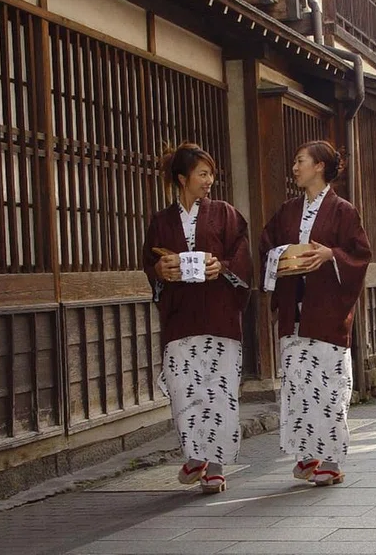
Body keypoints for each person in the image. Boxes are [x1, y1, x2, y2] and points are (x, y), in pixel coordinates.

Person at [260, 140, 372, 486]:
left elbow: (360, 255)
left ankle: (333, 459)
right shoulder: (288, 211)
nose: (295, 168)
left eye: (300, 161)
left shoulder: (343, 210)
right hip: (295, 309)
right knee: (298, 385)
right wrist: (281, 254)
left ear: (319, 166)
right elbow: (266, 244)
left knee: (328, 386)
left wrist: (331, 256)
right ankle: (308, 454)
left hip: (326, 311)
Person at [142, 143, 252, 494]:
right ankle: (194, 455)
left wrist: (223, 266)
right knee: (183, 389)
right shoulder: (161, 221)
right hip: (181, 318)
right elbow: (150, 263)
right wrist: (160, 269)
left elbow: (242, 254)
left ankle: (215, 465)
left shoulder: (225, 214)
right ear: (182, 178)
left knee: (218, 391)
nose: (209, 181)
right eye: (202, 174)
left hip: (218, 314)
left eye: (211, 174)